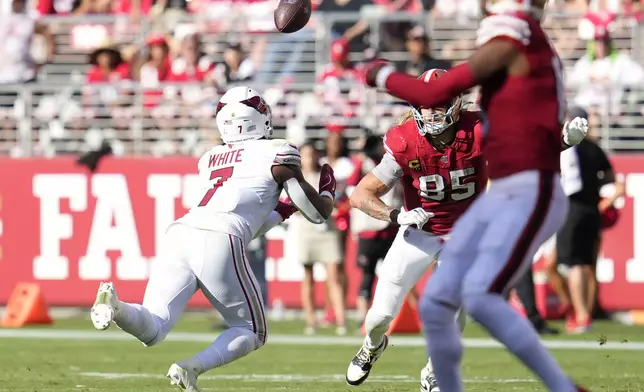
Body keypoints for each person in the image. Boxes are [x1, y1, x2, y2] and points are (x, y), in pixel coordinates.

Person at [361, 0, 590, 390]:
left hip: (525, 192)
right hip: (445, 222)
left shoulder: (513, 48)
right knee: (436, 306)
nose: (486, 36)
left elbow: (432, 89)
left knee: (478, 299)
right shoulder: (525, 58)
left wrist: (378, 74)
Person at [88, 86, 337, 391]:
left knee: (153, 328)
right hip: (220, 235)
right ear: (259, 117)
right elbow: (316, 213)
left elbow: (250, 220)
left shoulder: (210, 158)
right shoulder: (278, 151)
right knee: (252, 331)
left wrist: (284, 210)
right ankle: (191, 368)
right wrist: (327, 192)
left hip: (182, 231)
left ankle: (116, 305)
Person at [345, 68, 485, 392]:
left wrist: (561, 141)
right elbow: (360, 195)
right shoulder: (406, 139)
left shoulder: (479, 129)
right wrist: (396, 216)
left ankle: (434, 372)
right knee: (379, 317)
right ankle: (371, 347)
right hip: (419, 233)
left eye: (438, 103)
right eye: (426, 104)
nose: (431, 111)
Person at [553, 106, 625, 333]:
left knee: (573, 264)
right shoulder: (594, 148)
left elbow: (566, 181)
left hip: (572, 208)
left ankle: (581, 315)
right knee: (586, 265)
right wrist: (605, 201)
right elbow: (615, 181)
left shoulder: (567, 149)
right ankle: (585, 312)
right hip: (592, 210)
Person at [288, 141, 346, 335]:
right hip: (305, 229)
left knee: (333, 275)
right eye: (305, 155)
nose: (309, 158)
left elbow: (333, 200)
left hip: (326, 229)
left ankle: (340, 320)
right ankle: (311, 320)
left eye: (312, 154)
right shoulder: (293, 178)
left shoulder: (325, 175)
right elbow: (290, 205)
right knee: (308, 276)